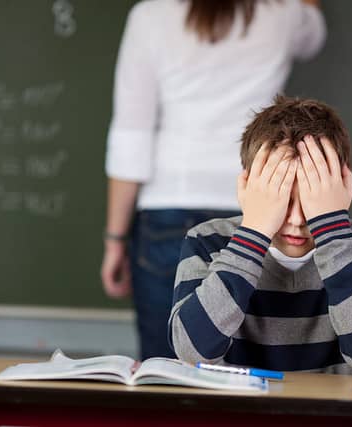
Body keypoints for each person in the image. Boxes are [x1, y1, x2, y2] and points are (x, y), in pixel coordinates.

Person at [101, 0, 326, 360]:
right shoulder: (283, 13)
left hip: (168, 206)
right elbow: (313, 35)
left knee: (164, 369)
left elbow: (132, 133)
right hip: (257, 207)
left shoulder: (151, 15)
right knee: (246, 363)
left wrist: (115, 239)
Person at [169, 96, 352, 376]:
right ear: (250, 188)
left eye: (310, 200)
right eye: (280, 199)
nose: (295, 221)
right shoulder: (208, 241)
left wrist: (332, 230)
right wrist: (254, 231)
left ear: (341, 187)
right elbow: (191, 352)